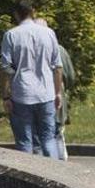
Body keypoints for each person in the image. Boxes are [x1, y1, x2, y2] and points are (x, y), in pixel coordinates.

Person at [0, 0, 64, 158]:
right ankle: (54, 174)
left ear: (16, 14)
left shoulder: (11, 35)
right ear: (32, 11)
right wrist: (58, 93)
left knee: (24, 142)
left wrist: (6, 95)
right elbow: (57, 67)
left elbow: (6, 68)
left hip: (22, 94)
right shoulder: (49, 33)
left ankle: (26, 176)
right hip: (46, 93)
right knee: (48, 139)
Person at [35, 18, 76, 160]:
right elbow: (70, 76)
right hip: (56, 96)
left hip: (35, 98)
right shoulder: (59, 50)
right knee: (57, 132)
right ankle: (59, 163)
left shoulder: (30, 49)